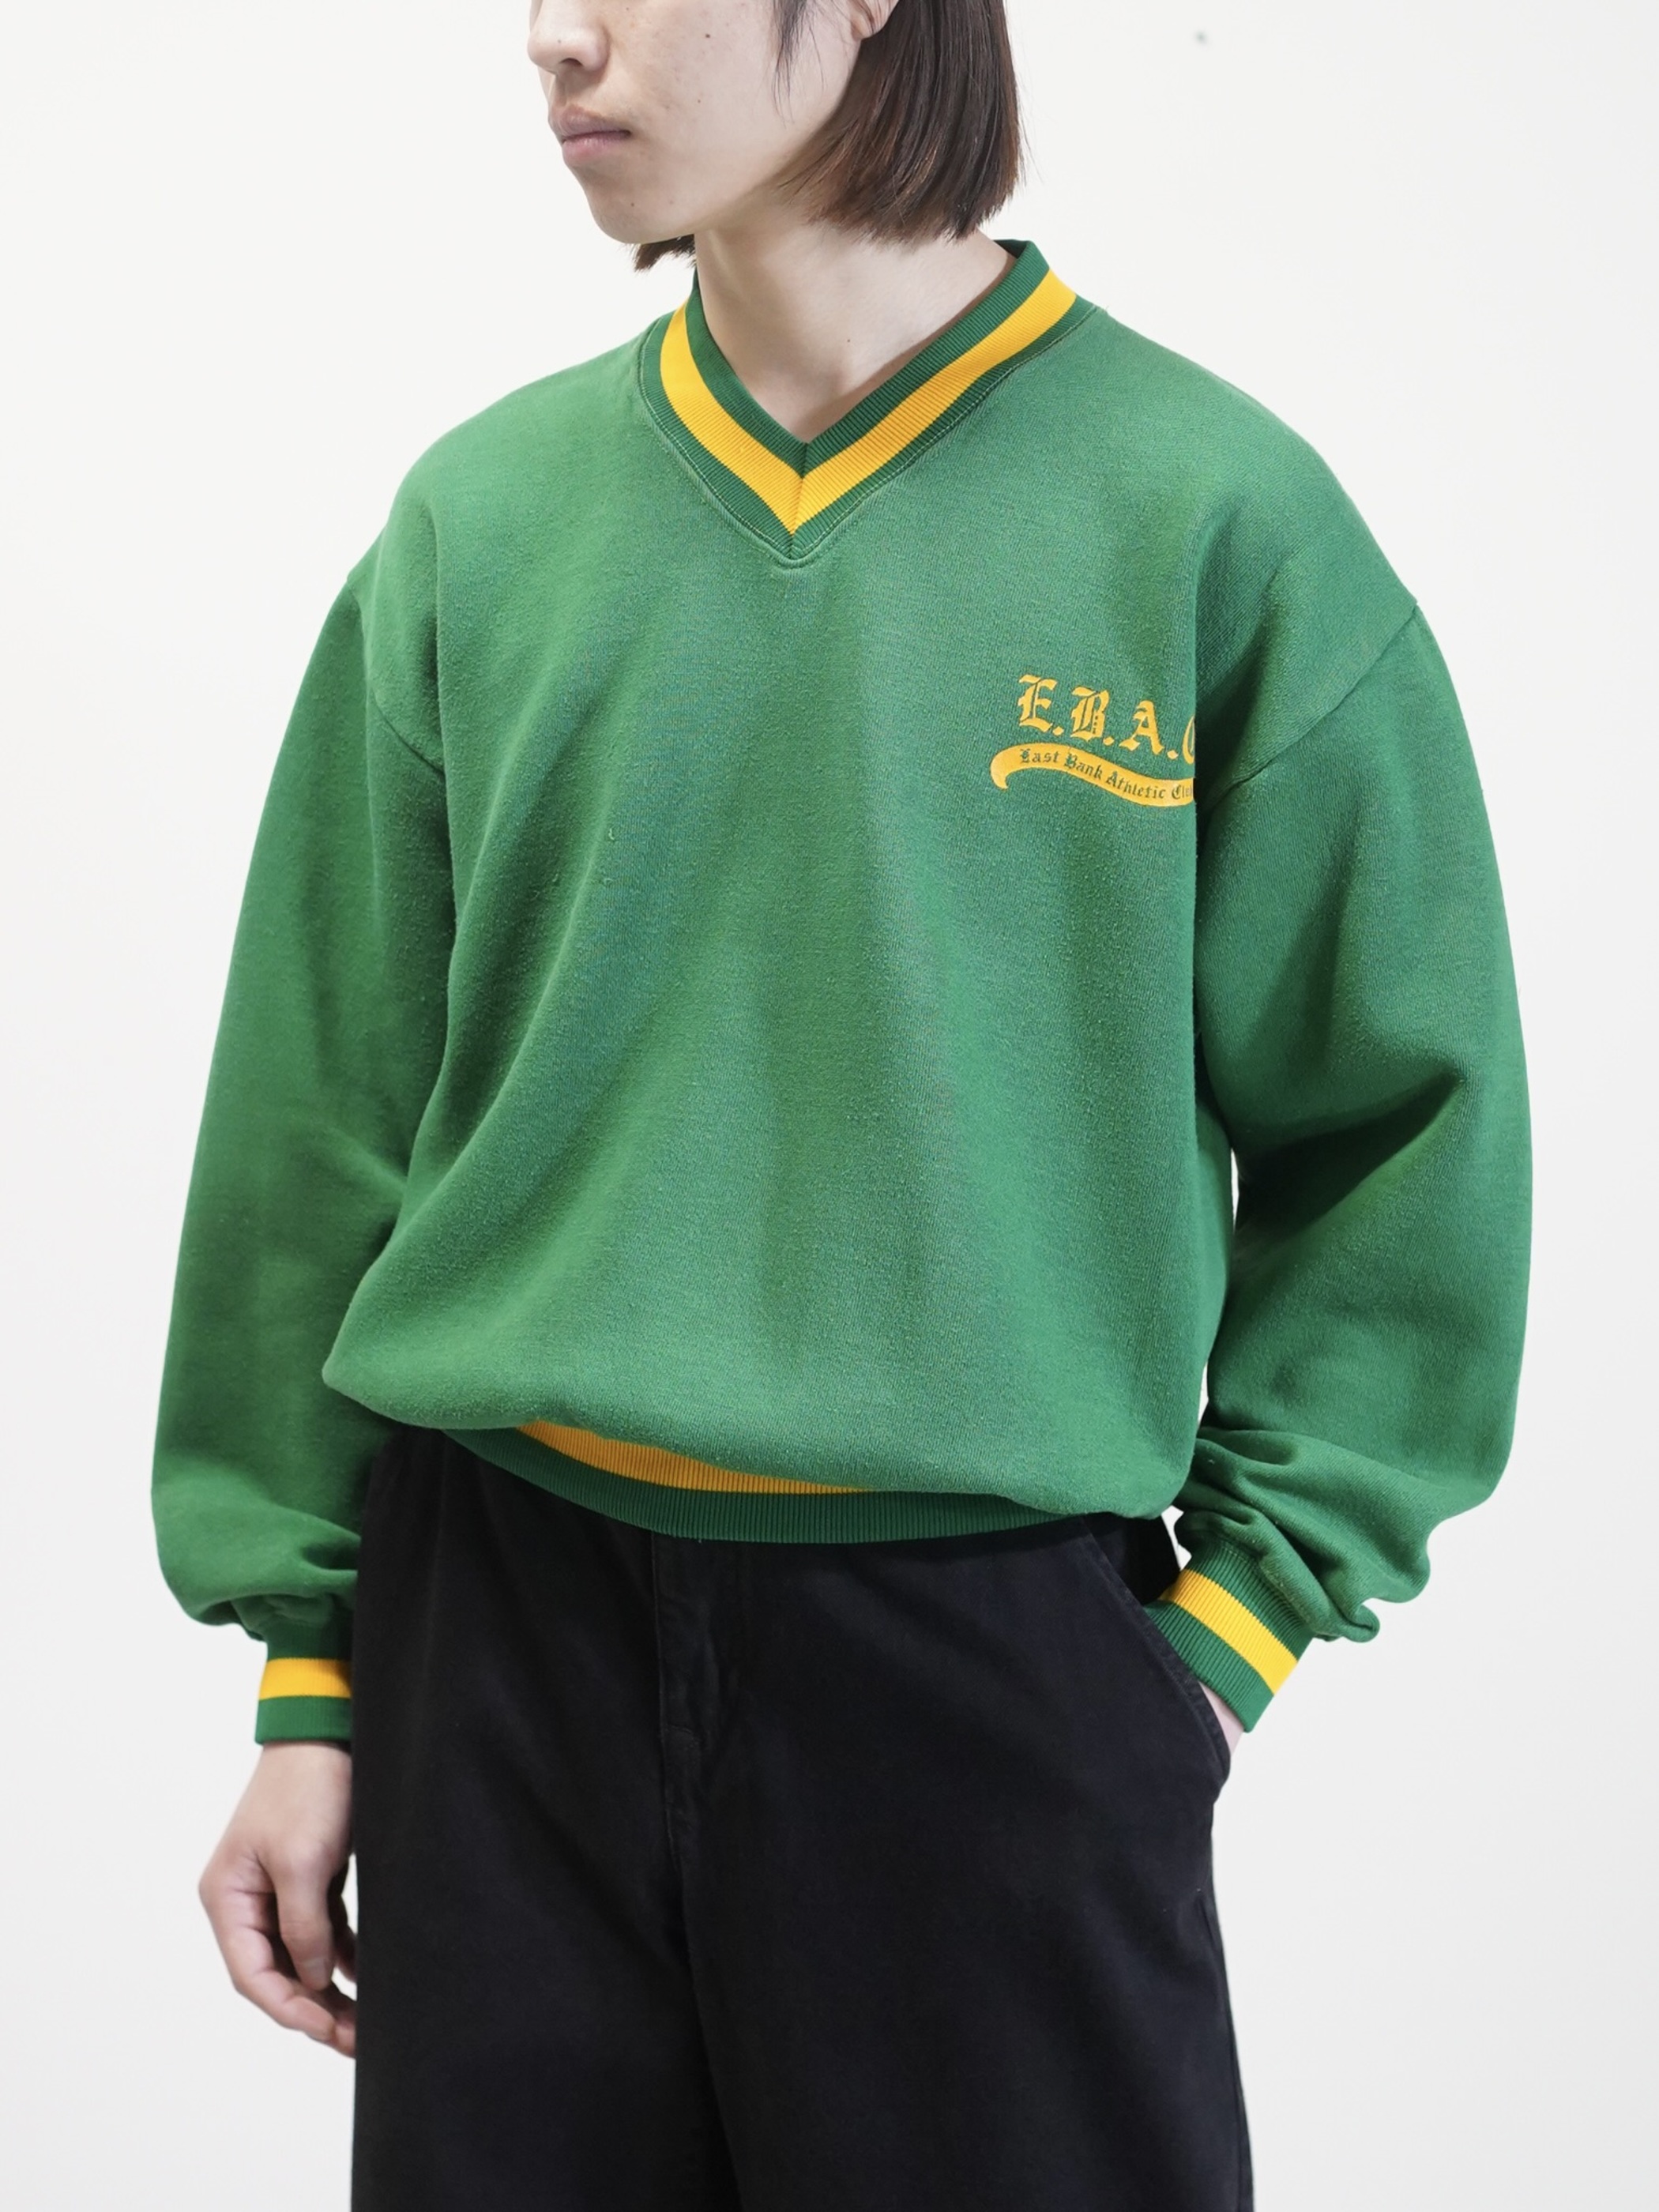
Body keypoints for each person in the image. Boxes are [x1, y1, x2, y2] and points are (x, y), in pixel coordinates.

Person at [154, 3, 1531, 2206]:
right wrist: (310, 1676)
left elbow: (1408, 1133)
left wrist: (1221, 1645)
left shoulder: (1212, 519)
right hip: (498, 1644)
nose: (555, 36)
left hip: (984, 1666)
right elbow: (315, 1126)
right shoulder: (482, 520)